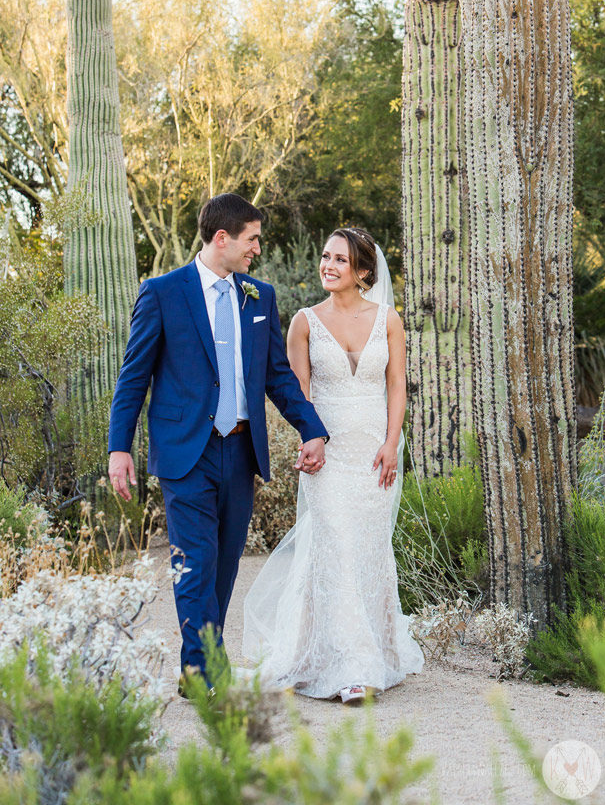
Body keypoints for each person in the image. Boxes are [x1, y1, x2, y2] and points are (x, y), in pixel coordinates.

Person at [107, 193, 329, 690]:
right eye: (251, 240)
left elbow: (277, 375)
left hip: (242, 449)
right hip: (187, 450)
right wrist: (119, 447)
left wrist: (311, 428)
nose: (257, 250)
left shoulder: (259, 295)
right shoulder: (162, 292)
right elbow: (133, 377)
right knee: (195, 561)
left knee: (226, 561)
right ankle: (205, 668)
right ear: (222, 238)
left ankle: (199, 664)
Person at [242, 227, 423, 703]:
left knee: (368, 550)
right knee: (336, 549)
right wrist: (310, 439)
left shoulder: (389, 319)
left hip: (374, 452)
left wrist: (391, 443)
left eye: (340, 260)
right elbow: (298, 392)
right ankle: (352, 671)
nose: (328, 265)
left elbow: (397, 386)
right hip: (328, 453)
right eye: (325, 256)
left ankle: (375, 651)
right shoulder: (303, 321)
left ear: (363, 272)